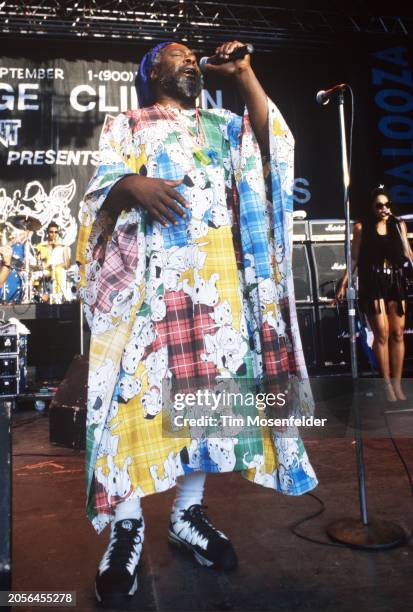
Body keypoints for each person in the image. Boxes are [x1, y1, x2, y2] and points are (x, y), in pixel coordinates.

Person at [77, 40, 317, 607]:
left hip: (218, 295)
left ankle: (187, 514)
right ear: (152, 70)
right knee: (129, 411)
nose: (190, 61)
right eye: (177, 55)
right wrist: (129, 184)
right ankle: (127, 527)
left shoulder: (222, 124)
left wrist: (245, 75)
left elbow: (272, 147)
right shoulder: (129, 122)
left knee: (205, 414)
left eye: (193, 56)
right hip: (149, 292)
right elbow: (103, 185)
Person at [336, 185, 413, 402]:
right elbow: (354, 258)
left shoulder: (399, 225)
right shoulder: (362, 227)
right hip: (373, 282)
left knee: (398, 333)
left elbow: (408, 252)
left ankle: (398, 385)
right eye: (379, 205)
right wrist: (344, 282)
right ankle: (386, 385)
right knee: (382, 332)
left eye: (387, 205)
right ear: (372, 207)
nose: (384, 209)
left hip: (395, 281)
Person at [36, 222, 71, 301]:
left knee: (59, 271)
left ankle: (59, 297)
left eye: (56, 232)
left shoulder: (63, 246)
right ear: (47, 233)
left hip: (59, 274)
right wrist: (45, 265)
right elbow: (38, 263)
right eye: (51, 232)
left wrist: (55, 266)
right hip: (45, 273)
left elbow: (67, 265)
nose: (53, 234)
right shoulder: (41, 246)